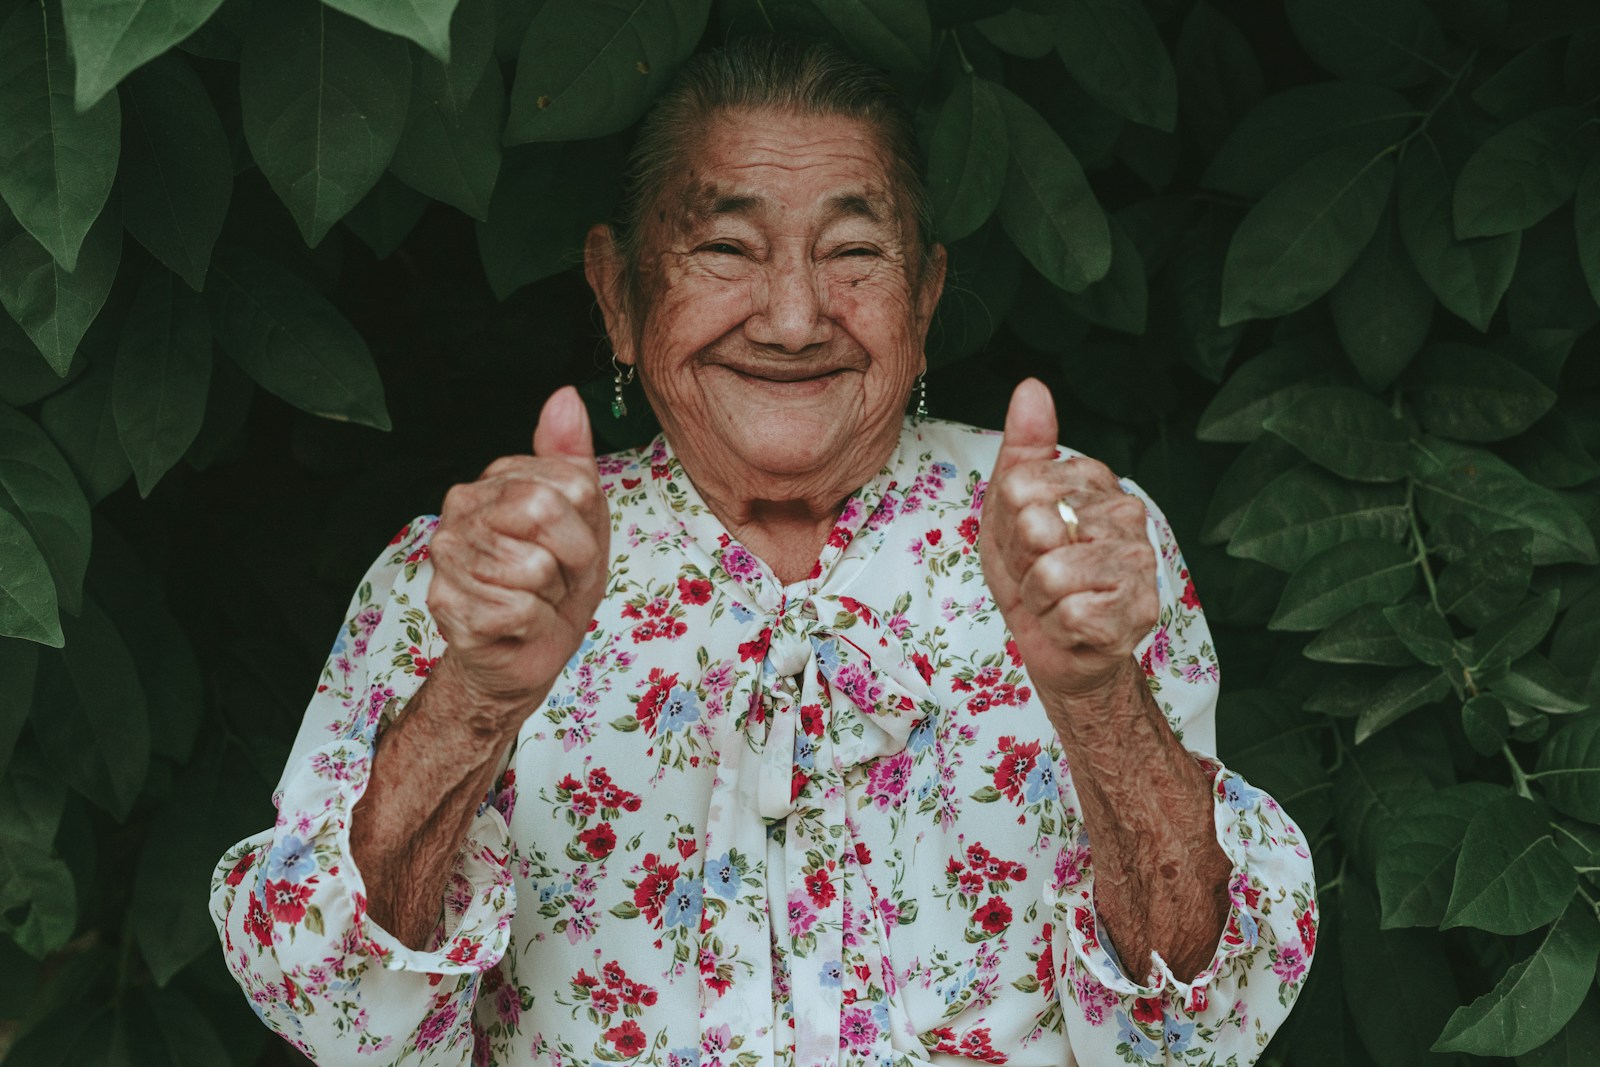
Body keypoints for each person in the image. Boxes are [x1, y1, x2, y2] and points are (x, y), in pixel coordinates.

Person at [211, 36, 1315, 1067]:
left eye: (853, 252)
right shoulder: (486, 568)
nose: (793, 317)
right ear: (618, 292)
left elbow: (1195, 1035)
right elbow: (335, 1012)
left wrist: (1098, 701)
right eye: (727, 248)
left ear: (925, 297)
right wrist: (475, 700)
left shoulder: (1068, 538)